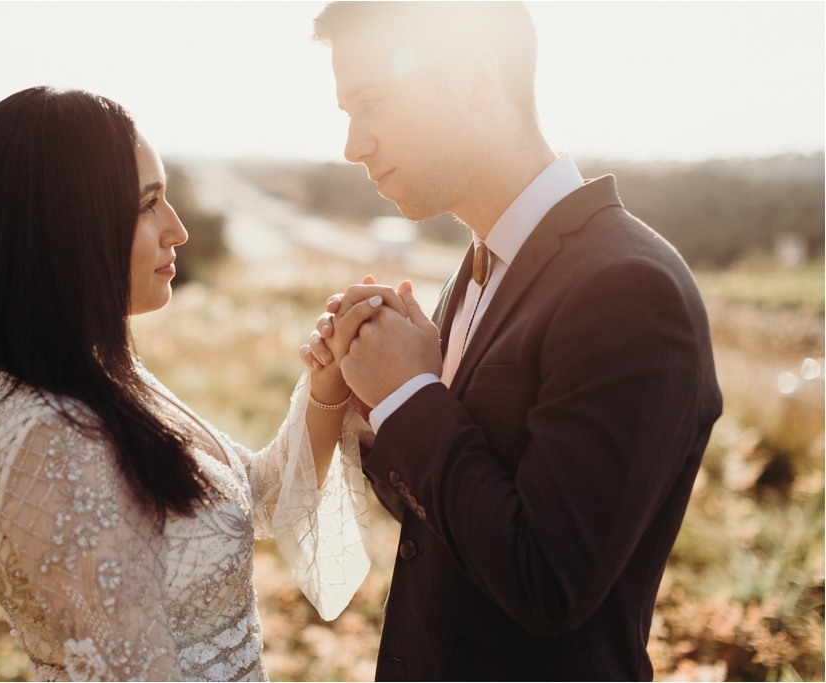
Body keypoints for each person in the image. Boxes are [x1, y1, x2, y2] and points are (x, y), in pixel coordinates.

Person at [301, 3, 723, 680]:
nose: (354, 144)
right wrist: (375, 410)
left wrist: (411, 397)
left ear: (474, 79)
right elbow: (455, 515)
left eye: (371, 101)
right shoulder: (472, 272)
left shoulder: (629, 288)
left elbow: (547, 580)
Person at [0, 87, 388, 681]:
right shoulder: (46, 438)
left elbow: (247, 499)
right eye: (147, 204)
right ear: (65, 224)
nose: (176, 230)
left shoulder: (95, 377)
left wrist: (327, 384)